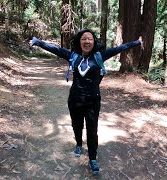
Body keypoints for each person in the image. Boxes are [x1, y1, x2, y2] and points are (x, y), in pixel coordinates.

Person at [30, 29, 142, 175]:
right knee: (77, 125)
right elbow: (55, 49)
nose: (87, 41)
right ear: (79, 41)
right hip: (75, 99)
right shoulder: (73, 56)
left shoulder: (100, 56)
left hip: (93, 101)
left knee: (92, 129)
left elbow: (119, 48)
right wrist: (37, 41)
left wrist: (137, 42)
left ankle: (93, 158)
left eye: (90, 38)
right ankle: (78, 143)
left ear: (94, 42)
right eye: (84, 39)